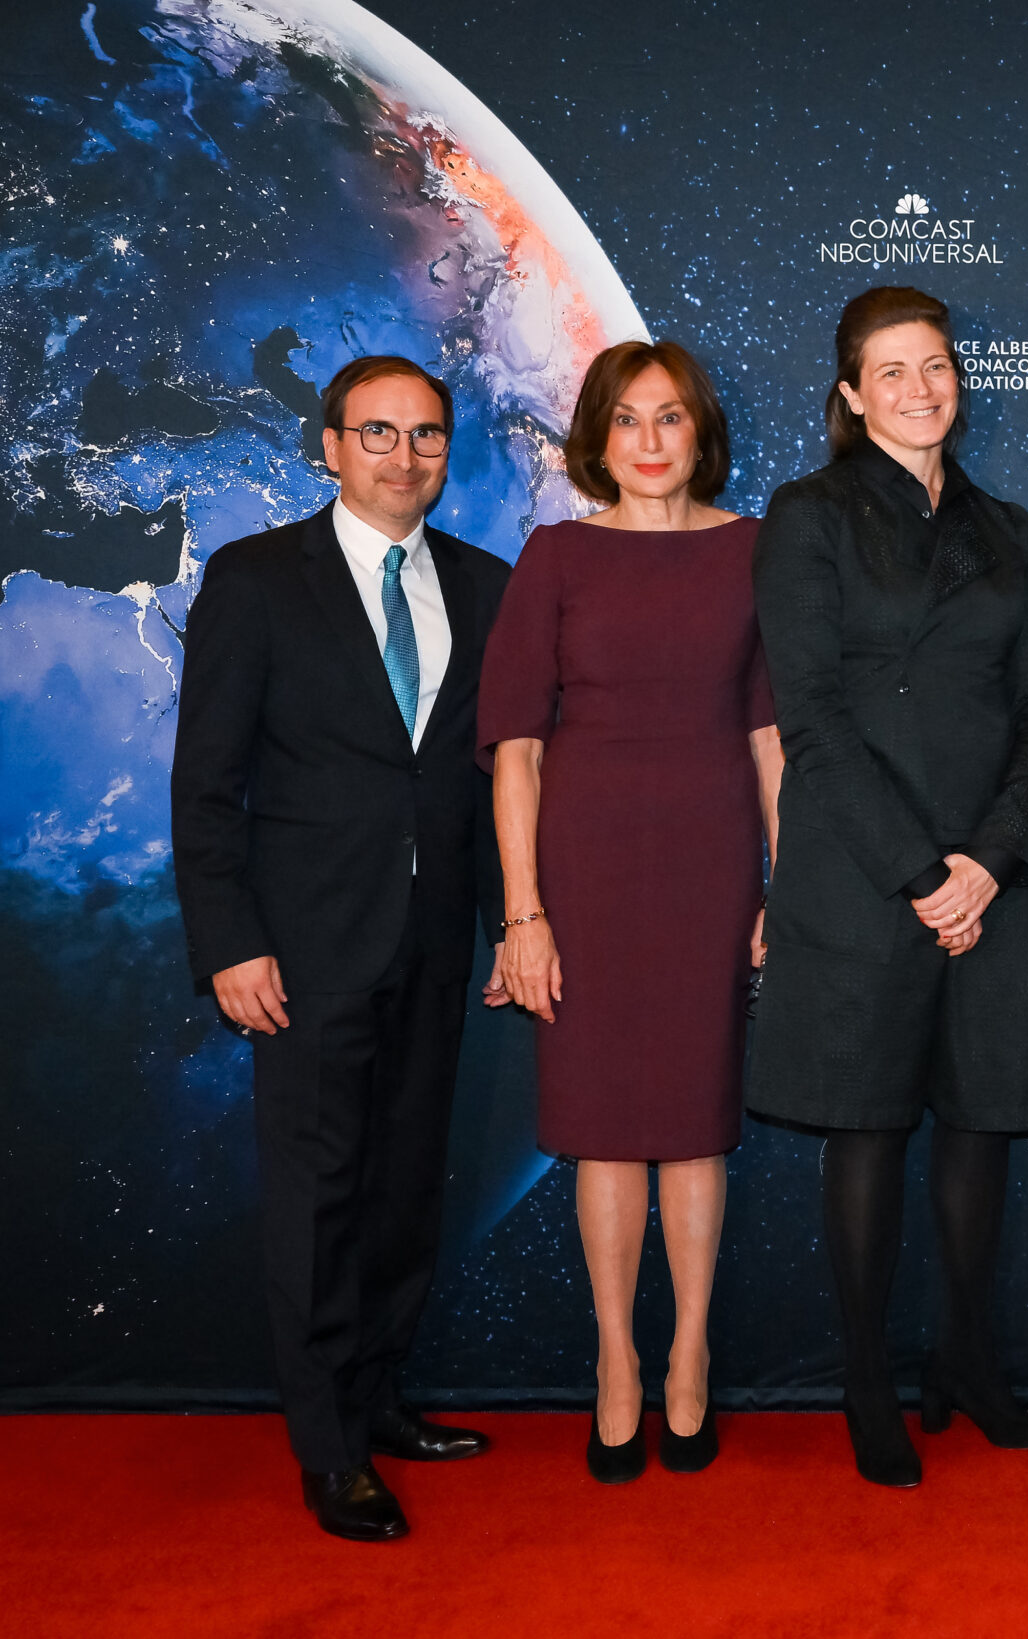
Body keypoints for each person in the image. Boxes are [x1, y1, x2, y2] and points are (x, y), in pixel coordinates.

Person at [171, 355, 511, 1541]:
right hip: (302, 951)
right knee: (318, 1199)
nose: (403, 457)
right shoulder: (259, 579)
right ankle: (326, 1447)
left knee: (408, 1187)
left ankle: (379, 1402)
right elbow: (207, 786)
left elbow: (496, 776)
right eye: (377, 433)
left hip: (434, 939)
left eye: (425, 437)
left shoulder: (486, 584)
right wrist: (230, 942)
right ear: (329, 445)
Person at [749, 286, 1028, 1488]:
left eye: (934, 365)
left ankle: (968, 1367)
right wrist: (924, 873)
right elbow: (813, 721)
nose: (919, 389)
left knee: (984, 1125)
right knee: (872, 1131)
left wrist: (988, 864)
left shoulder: (1008, 529)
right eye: (890, 371)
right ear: (848, 393)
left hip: (993, 881)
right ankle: (867, 1381)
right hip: (866, 882)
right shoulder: (808, 516)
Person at [478, 340, 779, 1483]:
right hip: (586, 877)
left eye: (671, 419)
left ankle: (690, 1362)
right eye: (628, 421)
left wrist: (783, 882)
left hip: (709, 871)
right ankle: (615, 1365)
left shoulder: (753, 555)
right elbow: (515, 751)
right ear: (596, 441)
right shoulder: (553, 558)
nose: (651, 442)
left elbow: (771, 733)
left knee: (695, 1123)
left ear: (700, 432)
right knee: (604, 1130)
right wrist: (524, 914)